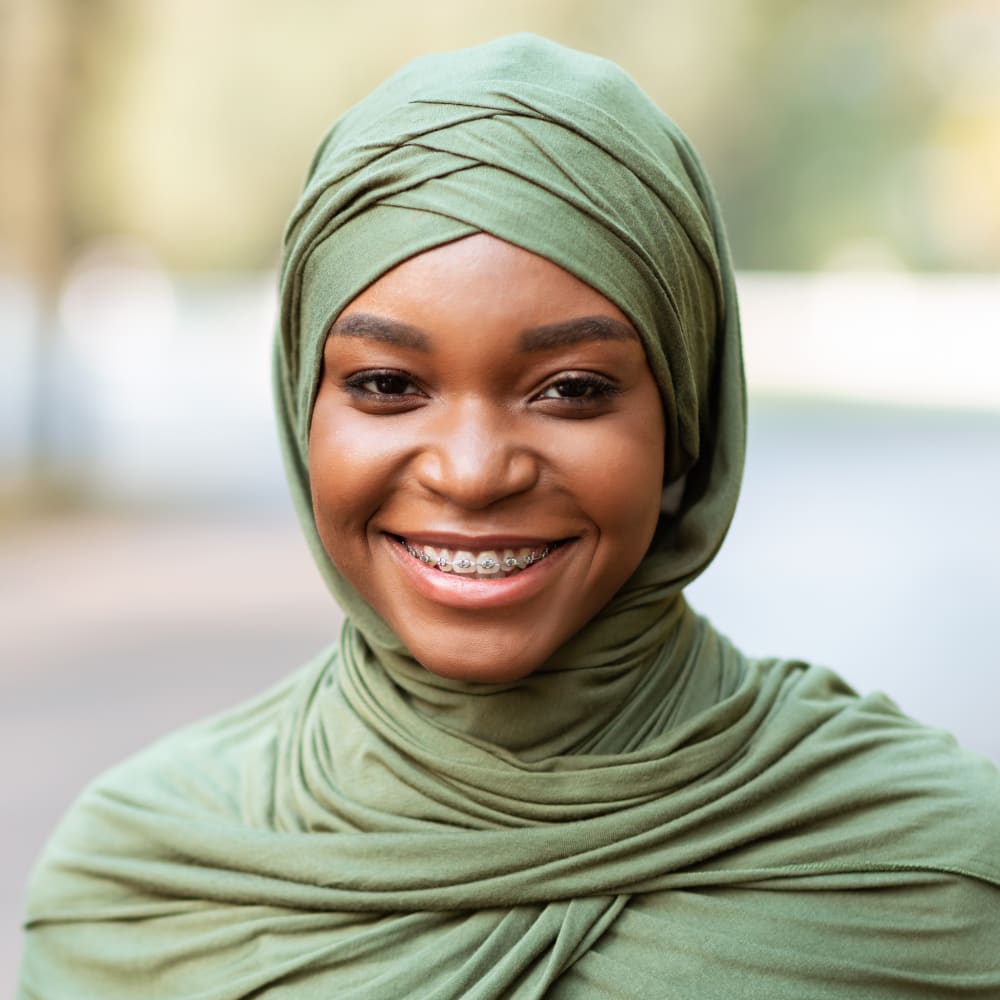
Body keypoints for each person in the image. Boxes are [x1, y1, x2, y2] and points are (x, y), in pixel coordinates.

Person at [18, 34, 1000, 999]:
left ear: (685, 418)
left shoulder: (930, 880)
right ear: (300, 408)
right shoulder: (140, 894)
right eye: (388, 383)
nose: (474, 471)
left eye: (571, 389)